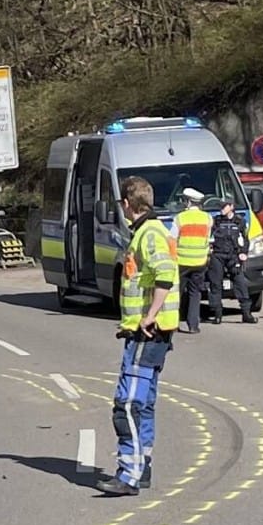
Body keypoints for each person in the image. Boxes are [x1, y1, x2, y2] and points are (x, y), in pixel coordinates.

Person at [96, 176, 179, 497]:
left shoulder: (149, 234)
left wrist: (149, 316)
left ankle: (128, 473)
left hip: (149, 333)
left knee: (127, 404)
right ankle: (141, 467)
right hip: (147, 331)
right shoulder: (152, 231)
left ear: (127, 204)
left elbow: (165, 275)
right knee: (143, 403)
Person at [206, 197, 254, 325]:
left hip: (233, 256)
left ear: (231, 207)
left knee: (240, 283)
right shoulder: (215, 221)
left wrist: (244, 252)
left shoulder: (240, 221)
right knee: (215, 284)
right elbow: (208, 238)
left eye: (224, 206)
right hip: (217, 255)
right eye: (221, 206)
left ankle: (246, 313)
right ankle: (217, 314)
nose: (221, 209)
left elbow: (245, 239)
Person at [172, 188, 212, 334]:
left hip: (181, 262)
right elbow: (207, 239)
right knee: (195, 293)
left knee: (177, 293)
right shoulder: (208, 218)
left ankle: (173, 323)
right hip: (200, 262)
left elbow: (172, 239)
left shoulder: (180, 218)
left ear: (188, 201)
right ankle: (193, 325)